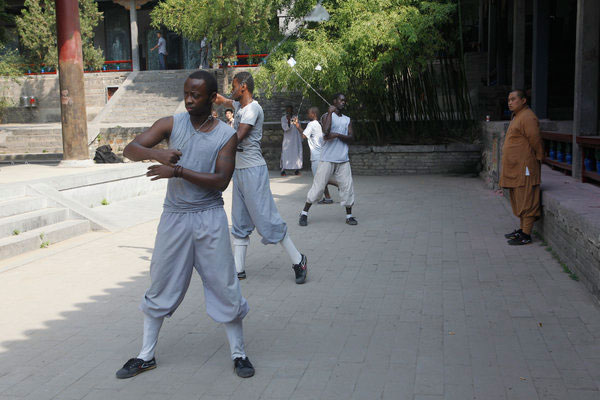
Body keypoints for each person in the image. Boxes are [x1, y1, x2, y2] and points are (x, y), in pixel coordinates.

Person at [116, 70, 254, 380]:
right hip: (174, 217)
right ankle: (145, 355)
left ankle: (239, 353)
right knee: (161, 282)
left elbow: (220, 182)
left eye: (196, 95)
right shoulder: (171, 124)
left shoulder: (225, 135)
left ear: (211, 98)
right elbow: (130, 149)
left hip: (209, 217)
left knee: (224, 283)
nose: (189, 99)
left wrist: (178, 172)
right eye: (186, 93)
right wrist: (157, 153)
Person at [214, 71, 308, 284]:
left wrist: (214, 147)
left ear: (244, 87)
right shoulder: (239, 106)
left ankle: (298, 259)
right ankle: (238, 269)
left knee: (266, 218)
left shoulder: (253, 109)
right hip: (239, 171)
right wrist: (217, 98)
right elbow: (227, 100)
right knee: (239, 219)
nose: (232, 90)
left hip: (253, 170)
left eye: (235, 86)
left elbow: (238, 136)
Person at [299, 93, 357, 226]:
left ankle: (349, 215)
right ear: (334, 101)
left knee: (347, 187)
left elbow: (351, 137)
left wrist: (336, 135)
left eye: (345, 100)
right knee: (318, 187)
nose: (343, 102)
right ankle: (304, 213)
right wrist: (330, 113)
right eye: (341, 100)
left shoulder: (347, 119)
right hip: (327, 158)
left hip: (343, 159)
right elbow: (325, 131)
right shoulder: (326, 116)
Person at [500, 89, 543, 245]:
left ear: (523, 100)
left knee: (526, 197)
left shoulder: (528, 117)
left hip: (525, 167)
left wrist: (538, 158)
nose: (510, 102)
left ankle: (526, 234)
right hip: (515, 167)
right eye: (509, 100)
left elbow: (535, 140)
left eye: (513, 99)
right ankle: (522, 229)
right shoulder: (517, 116)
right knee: (518, 196)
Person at [292, 106, 334, 204]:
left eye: (309, 113)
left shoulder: (311, 124)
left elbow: (303, 135)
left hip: (316, 156)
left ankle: (338, 185)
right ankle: (327, 197)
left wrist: (297, 126)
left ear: (313, 114)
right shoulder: (318, 124)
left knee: (319, 179)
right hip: (320, 155)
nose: (308, 114)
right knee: (320, 178)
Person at [280, 105, 303, 176]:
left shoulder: (295, 118)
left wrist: (293, 121)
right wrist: (289, 120)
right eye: (288, 110)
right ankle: (283, 170)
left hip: (296, 139)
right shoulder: (283, 118)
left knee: (296, 154)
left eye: (290, 110)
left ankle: (296, 169)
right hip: (288, 139)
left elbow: (298, 126)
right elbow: (286, 128)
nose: (289, 111)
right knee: (286, 154)